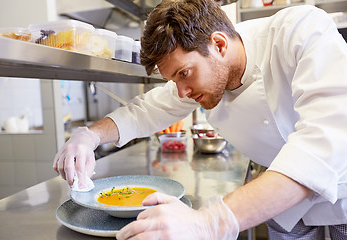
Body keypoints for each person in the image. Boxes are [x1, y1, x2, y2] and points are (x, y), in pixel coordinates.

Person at [53, 0, 347, 239]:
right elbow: (144, 110)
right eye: (172, 80)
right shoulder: (199, 71)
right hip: (277, 198)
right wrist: (88, 136)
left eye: (183, 74)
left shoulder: (300, 31)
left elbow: (321, 146)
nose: (181, 92)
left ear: (219, 45)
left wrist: (211, 222)